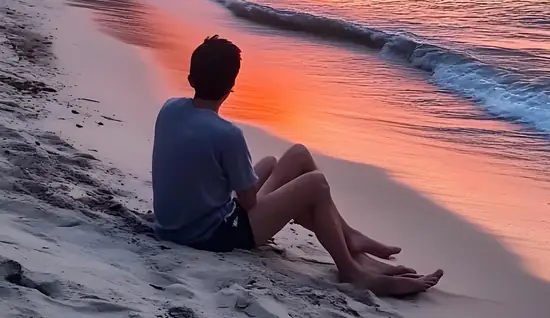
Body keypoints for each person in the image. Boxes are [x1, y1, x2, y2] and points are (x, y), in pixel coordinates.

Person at [152, 35, 443, 297]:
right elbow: (250, 201)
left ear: (191, 79)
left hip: (176, 224)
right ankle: (351, 270)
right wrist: (275, 193)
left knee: (292, 157)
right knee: (314, 184)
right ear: (232, 86)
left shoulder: (170, 109)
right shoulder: (226, 134)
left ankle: (348, 237)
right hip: (212, 234)